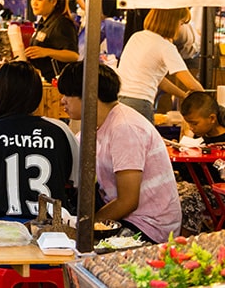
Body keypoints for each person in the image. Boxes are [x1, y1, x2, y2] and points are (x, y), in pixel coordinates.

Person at [57, 63, 181, 243]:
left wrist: (87, 226)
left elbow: (128, 201)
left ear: (90, 95)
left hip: (149, 227)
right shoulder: (94, 127)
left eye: (67, 94)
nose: (62, 101)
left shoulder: (125, 127)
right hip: (124, 217)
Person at [0, 61, 78, 220]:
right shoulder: (60, 130)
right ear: (36, 93)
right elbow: (77, 181)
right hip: (52, 231)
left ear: (0, 92)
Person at [117, 8, 204, 121]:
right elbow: (192, 85)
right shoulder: (165, 46)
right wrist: (209, 101)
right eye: (181, 23)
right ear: (172, 22)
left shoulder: (137, 37)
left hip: (120, 101)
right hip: (139, 104)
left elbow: (159, 80)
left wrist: (183, 95)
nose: (181, 28)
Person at [24, 0, 79, 83]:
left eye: (40, 0)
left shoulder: (62, 24)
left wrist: (46, 52)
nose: (34, 3)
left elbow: (73, 56)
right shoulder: (43, 22)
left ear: (53, 1)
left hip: (56, 83)